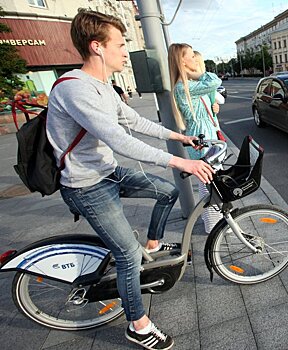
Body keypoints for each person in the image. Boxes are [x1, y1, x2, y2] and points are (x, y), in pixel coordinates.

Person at [46, 9, 214, 350]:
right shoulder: (75, 90)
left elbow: (136, 123)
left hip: (108, 172)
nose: (126, 51)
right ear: (97, 47)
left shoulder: (102, 87)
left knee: (166, 192)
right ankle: (137, 325)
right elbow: (120, 140)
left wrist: (179, 138)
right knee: (126, 255)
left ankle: (152, 245)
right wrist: (181, 162)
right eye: (120, 44)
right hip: (86, 186)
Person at [168, 44, 223, 235]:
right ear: (182, 61)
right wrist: (197, 72)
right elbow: (214, 81)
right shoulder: (183, 87)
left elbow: (211, 95)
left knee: (211, 182)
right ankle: (212, 226)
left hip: (206, 136)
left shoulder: (186, 86)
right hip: (202, 139)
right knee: (208, 185)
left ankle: (217, 222)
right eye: (191, 56)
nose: (195, 59)